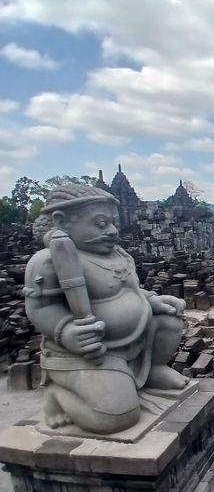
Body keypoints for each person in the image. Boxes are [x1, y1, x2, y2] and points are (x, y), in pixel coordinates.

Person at [24, 185, 188, 434]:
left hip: (138, 340)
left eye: (114, 223)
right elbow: (40, 307)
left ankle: (153, 369)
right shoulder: (48, 262)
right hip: (91, 352)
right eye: (101, 224)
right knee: (117, 418)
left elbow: (129, 290)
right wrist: (66, 331)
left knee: (170, 320)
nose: (111, 231)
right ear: (62, 222)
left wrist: (152, 300)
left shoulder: (118, 255)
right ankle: (58, 394)